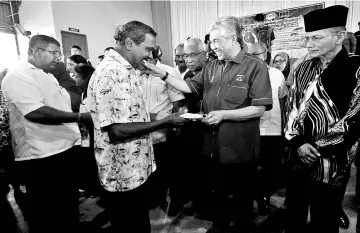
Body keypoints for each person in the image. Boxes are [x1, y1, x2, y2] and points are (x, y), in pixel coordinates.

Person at [144, 16, 272, 233]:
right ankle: (220, 226)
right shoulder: (212, 67)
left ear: (232, 39)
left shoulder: (255, 66)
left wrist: (223, 114)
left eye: (215, 41)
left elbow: (258, 109)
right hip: (213, 147)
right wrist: (161, 73)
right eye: (211, 42)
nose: (212, 47)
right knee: (218, 194)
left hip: (240, 148)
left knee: (242, 199)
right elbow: (187, 87)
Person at [86, 21, 186, 233]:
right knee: (130, 225)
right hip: (123, 172)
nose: (150, 55)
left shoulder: (126, 70)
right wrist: (166, 121)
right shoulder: (111, 73)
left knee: (139, 223)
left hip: (134, 167)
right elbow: (117, 131)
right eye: (147, 49)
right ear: (130, 43)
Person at [1, 35, 92, 233]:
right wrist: (79, 118)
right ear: (36, 51)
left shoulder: (46, 74)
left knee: (66, 204)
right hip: (42, 155)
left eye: (59, 53)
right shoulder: (18, 74)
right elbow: (36, 112)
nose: (58, 57)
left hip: (62, 149)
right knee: (48, 212)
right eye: (53, 53)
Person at [284, 5, 360, 233]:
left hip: (332, 162)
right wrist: (297, 143)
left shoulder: (356, 67)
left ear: (339, 37)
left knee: (324, 218)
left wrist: (317, 149)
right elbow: (292, 108)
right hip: (298, 157)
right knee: (294, 213)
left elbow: (354, 119)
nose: (309, 44)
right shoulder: (302, 67)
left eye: (316, 38)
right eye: (307, 38)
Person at [138, 44, 186, 216]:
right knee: (152, 169)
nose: (145, 62)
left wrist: (172, 125)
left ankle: (176, 200)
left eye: (148, 58)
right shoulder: (136, 72)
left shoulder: (168, 72)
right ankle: (156, 197)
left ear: (156, 55)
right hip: (143, 129)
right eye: (143, 58)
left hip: (164, 129)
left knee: (171, 170)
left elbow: (177, 102)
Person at [248, 42, 286, 216]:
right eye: (250, 55)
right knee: (252, 168)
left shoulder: (277, 74)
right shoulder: (245, 75)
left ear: (266, 54)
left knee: (271, 167)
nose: (254, 58)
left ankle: (265, 197)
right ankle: (254, 198)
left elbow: (282, 100)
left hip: (273, 130)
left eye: (257, 54)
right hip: (251, 130)